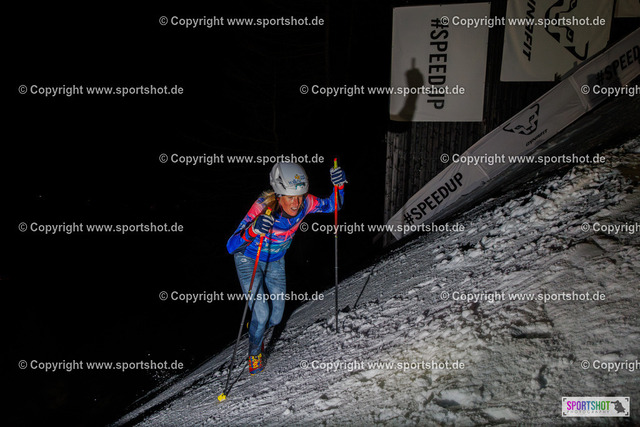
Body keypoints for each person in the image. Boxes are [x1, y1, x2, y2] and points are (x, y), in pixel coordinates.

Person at [226, 162, 347, 375]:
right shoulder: (263, 206)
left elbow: (333, 205)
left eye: (299, 196)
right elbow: (231, 246)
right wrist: (253, 230)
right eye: (290, 197)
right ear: (279, 194)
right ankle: (254, 352)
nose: (296, 203)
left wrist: (339, 186)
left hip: (275, 261)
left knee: (276, 318)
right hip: (248, 260)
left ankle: (256, 326)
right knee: (262, 313)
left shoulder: (306, 203)